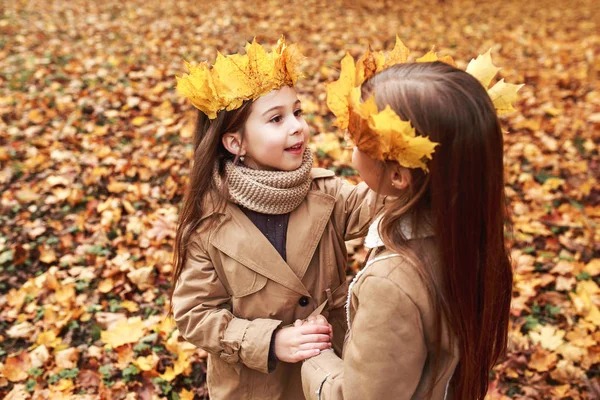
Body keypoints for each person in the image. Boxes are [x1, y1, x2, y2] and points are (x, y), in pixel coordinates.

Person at [301, 41, 518, 400]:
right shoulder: (473, 234)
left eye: (360, 141)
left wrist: (316, 358)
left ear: (400, 177)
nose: (350, 145)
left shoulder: (392, 285)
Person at [170, 37, 383, 399]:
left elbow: (378, 205)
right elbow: (195, 313)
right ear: (235, 143)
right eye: (276, 118)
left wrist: (403, 156)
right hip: (254, 387)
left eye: (297, 112)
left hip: (325, 375)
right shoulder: (210, 222)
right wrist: (269, 341)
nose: (297, 126)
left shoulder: (325, 193)